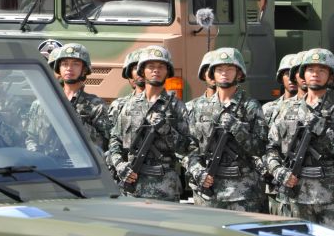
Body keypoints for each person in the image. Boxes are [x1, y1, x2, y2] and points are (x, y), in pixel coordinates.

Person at [265, 48, 334, 229]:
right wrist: (279, 171)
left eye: (321, 70)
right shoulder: (286, 110)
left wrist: (322, 130)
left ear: (331, 77)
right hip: (296, 194)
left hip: (332, 197)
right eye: (311, 70)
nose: (315, 74)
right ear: (302, 75)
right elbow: (271, 148)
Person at [184, 48, 265, 212]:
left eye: (230, 69)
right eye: (219, 69)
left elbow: (260, 148)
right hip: (208, 191)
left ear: (239, 74)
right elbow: (187, 147)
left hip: (243, 192)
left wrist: (237, 127)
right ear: (212, 74)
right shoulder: (199, 107)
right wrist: (197, 171)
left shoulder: (250, 106)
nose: (224, 73)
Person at [107, 45, 190, 201]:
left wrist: (166, 129)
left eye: (161, 67)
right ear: (142, 71)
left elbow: (187, 147)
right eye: (150, 67)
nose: (155, 70)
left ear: (168, 71)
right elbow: (114, 141)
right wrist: (119, 165)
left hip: (166, 188)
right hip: (132, 185)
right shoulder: (128, 105)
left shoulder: (177, 107)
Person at [30, 43, 110, 152]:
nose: (69, 68)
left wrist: (76, 121)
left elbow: (105, 145)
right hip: (47, 165)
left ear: (85, 69)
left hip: (81, 166)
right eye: (64, 64)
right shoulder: (42, 103)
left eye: (75, 64)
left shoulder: (96, 106)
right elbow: (30, 138)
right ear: (59, 68)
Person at [261, 54, 298, 215]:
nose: (290, 78)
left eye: (294, 72)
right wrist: (268, 169)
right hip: (274, 185)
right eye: (285, 73)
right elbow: (259, 145)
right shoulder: (268, 109)